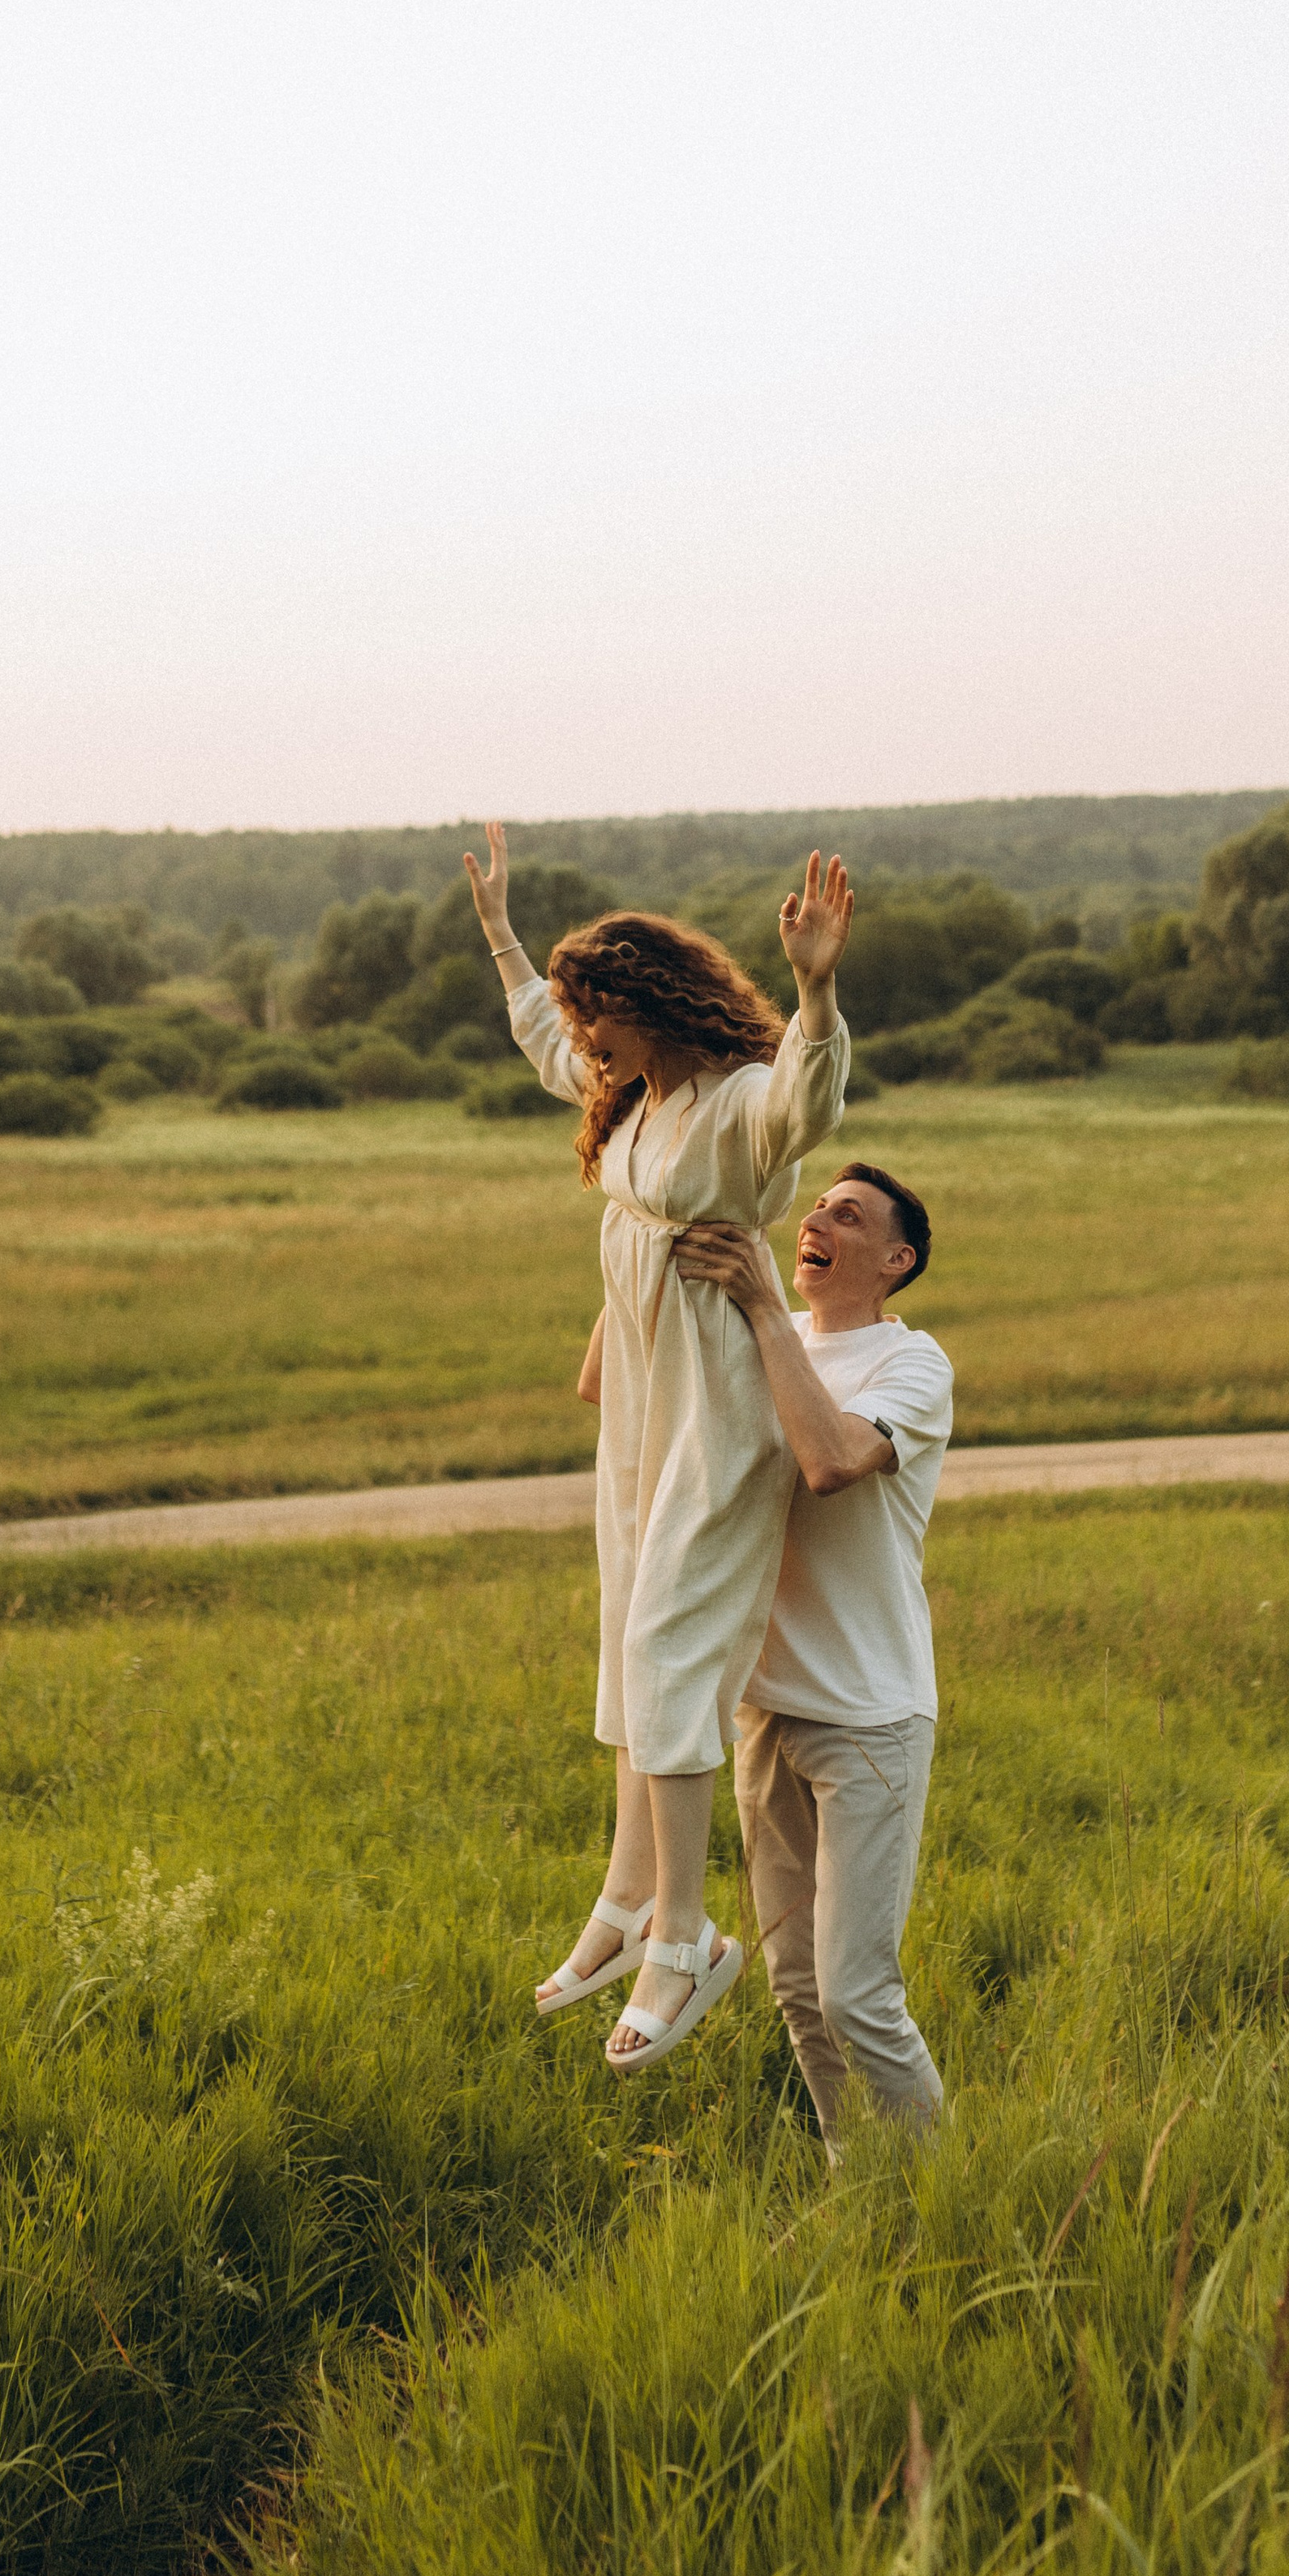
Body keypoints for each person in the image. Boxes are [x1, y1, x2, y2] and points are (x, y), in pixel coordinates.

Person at [464, 824, 854, 2073]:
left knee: (667, 1640)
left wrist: (815, 988)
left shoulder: (738, 1102)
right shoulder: (633, 1097)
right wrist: (505, 938)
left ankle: (689, 1943)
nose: (585, 1045)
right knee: (629, 1622)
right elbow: (539, 1037)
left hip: (724, 1392)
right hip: (644, 1394)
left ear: (649, 1006)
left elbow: (808, 1100)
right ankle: (630, 1902)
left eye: (599, 1021)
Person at [672, 1161, 950, 2145]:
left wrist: (758, 1310)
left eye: (849, 1215)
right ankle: (857, 2190)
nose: (818, 1220)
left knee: (857, 1997)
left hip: (868, 1718)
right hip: (763, 1712)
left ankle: (945, 2195)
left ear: (893, 1259)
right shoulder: (764, 1336)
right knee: (797, 1991)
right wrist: (649, 1226)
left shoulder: (912, 1367)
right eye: (817, 1206)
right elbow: (598, 1387)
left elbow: (830, 1463)